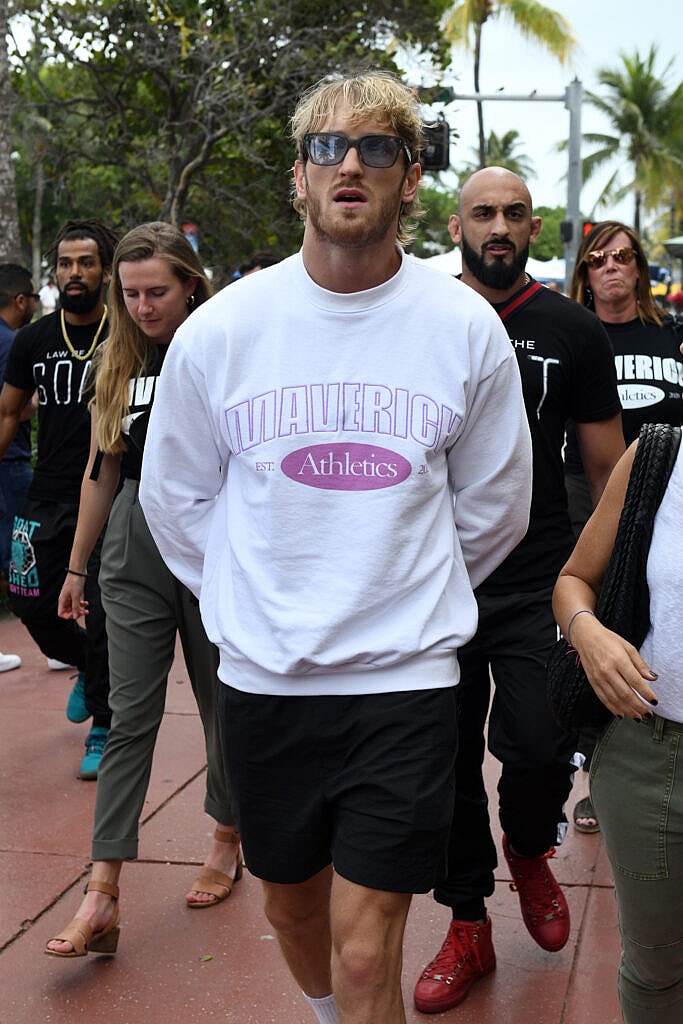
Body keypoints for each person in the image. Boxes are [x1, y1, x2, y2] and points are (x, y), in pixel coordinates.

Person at [139, 71, 533, 1024]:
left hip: (405, 683)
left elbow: (494, 507)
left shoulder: (462, 328)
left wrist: (403, 591)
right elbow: (177, 499)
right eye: (327, 147)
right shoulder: (223, 332)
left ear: (409, 180)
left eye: (377, 148)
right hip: (267, 680)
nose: (349, 163)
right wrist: (254, 595)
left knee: (369, 959)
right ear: (299, 179)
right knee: (290, 903)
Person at [412, 167, 626, 1015]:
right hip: (433, 577)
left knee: (539, 743)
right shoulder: (418, 320)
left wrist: (612, 584)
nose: (496, 225)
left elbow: (607, 468)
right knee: (443, 756)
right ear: (457, 224)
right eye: (481, 213)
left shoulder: (569, 328)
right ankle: (466, 921)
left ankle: (529, 844)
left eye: (511, 213)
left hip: (538, 576)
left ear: (533, 227)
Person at [44, 222, 241, 960]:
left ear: (191, 283)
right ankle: (102, 890)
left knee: (223, 699)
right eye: (130, 294)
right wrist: (76, 567)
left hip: (212, 537)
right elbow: (101, 469)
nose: (143, 306)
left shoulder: (222, 351)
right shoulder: (118, 359)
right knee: (128, 714)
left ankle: (226, 835)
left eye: (157, 291)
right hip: (133, 537)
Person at [552, 426, 683, 1024]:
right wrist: (590, 633)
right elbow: (573, 581)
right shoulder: (659, 456)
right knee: (655, 967)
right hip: (648, 760)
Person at [565, 221, 683, 834]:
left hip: (668, 509)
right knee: (602, 639)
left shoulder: (670, 336)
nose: (612, 267)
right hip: (599, 509)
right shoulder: (578, 337)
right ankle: (597, 770)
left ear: (639, 269)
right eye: (599, 259)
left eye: (624, 258)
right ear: (585, 272)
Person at [0, 221, 116, 777]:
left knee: (96, 609)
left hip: (107, 494)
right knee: (29, 601)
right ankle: (91, 668)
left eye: (86, 263)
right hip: (44, 495)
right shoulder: (33, 338)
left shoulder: (125, 332)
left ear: (105, 270)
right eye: (66, 264)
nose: (75, 273)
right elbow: (7, 411)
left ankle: (103, 724)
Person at [0, 263, 38, 672]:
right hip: (10, 463)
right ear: (21, 300)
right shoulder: (14, 343)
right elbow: (12, 409)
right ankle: (54, 639)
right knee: (22, 554)